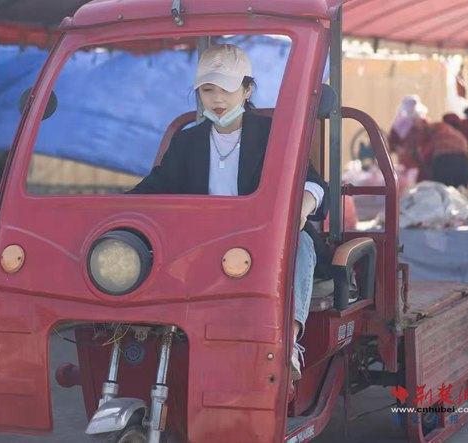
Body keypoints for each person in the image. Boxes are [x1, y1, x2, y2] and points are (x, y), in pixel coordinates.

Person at [127, 44, 328, 381]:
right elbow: (155, 187)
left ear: (247, 90)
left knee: (302, 244)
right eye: (208, 90)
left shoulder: (274, 135)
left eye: (227, 89)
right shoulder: (187, 142)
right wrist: (115, 209)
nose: (217, 99)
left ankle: (288, 342)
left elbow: (313, 182)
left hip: (266, 245)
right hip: (202, 246)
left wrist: (303, 206)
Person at [389, 96, 468, 187]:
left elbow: (422, 154)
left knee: (438, 188)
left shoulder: (428, 129)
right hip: (462, 164)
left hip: (442, 162)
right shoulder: (452, 133)